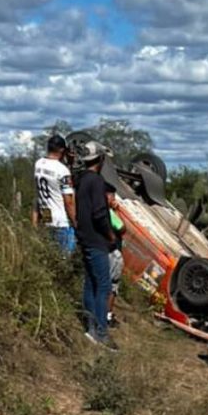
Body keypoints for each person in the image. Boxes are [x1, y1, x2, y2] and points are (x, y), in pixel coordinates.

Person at [75, 141, 117, 348]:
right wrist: (110, 235)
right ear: (100, 159)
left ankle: (90, 327)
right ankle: (101, 332)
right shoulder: (97, 182)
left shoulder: (81, 180)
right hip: (96, 240)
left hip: (84, 238)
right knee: (104, 286)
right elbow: (99, 213)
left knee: (90, 283)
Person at [32, 135, 77, 255]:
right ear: (62, 150)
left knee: (49, 255)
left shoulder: (38, 164)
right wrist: (76, 223)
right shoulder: (62, 170)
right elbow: (69, 202)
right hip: (61, 221)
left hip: (46, 216)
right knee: (65, 257)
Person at [106, 186, 126, 327]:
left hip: (102, 250)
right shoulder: (110, 213)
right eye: (112, 196)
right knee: (113, 285)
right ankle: (107, 315)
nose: (114, 199)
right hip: (113, 252)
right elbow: (122, 228)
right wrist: (117, 210)